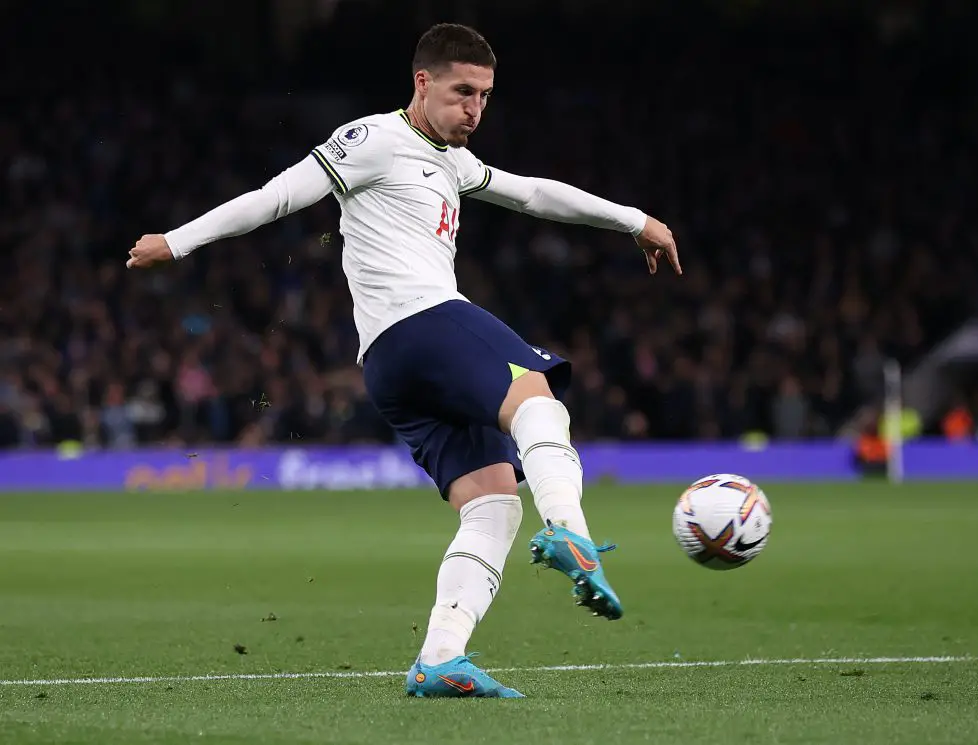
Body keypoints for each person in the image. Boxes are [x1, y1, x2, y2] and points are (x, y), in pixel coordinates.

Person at [125, 23, 681, 698]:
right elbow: (275, 196)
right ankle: (571, 530)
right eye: (462, 92)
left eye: (485, 95)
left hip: (396, 365)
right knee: (536, 394)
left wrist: (634, 219)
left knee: (494, 502)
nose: (475, 110)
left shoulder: (452, 161)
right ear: (422, 82)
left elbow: (533, 193)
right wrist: (177, 242)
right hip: (419, 323)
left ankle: (439, 657)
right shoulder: (372, 140)